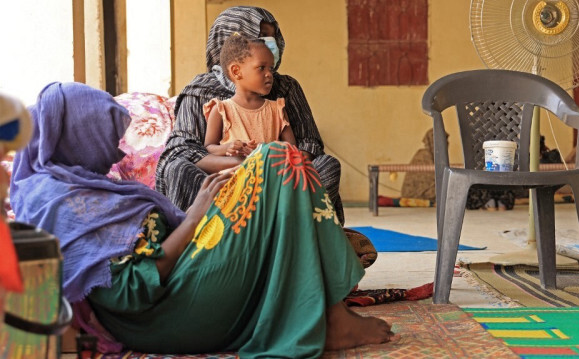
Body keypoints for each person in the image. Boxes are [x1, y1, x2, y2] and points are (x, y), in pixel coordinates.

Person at [9, 82, 392, 357]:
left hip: (181, 282)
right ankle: (332, 313)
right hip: (166, 314)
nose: (117, 149)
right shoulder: (64, 202)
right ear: (77, 137)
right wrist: (195, 217)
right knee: (278, 159)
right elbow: (129, 293)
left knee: (274, 164)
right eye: (107, 136)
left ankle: (327, 304)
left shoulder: (74, 186)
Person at [156, 6, 346, 225]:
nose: (270, 44)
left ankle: (294, 238)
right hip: (224, 183)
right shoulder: (200, 90)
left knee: (327, 165)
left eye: (272, 37)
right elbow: (182, 150)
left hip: (280, 180)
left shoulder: (286, 88)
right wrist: (240, 164)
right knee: (177, 169)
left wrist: (273, 166)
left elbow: (309, 143)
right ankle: (207, 243)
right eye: (262, 37)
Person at [203, 33, 295, 161]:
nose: (269, 74)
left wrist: (265, 149)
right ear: (236, 71)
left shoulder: (277, 110)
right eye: (261, 68)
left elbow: (292, 149)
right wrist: (227, 148)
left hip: (270, 176)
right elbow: (208, 147)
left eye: (271, 68)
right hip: (236, 177)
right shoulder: (221, 110)